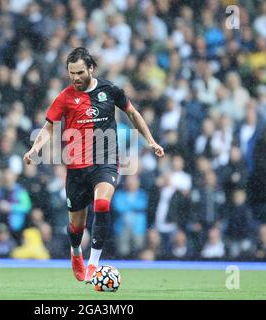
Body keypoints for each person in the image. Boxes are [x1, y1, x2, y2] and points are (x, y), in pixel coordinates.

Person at [23, 47, 164, 283]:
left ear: (91, 68)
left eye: (79, 72)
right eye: (71, 73)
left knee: (102, 203)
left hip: (106, 161)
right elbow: (48, 127)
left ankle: (93, 263)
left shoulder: (109, 90)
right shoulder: (65, 97)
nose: (75, 78)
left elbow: (133, 113)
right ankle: (76, 251)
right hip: (77, 168)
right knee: (76, 228)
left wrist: (150, 140)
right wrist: (35, 148)